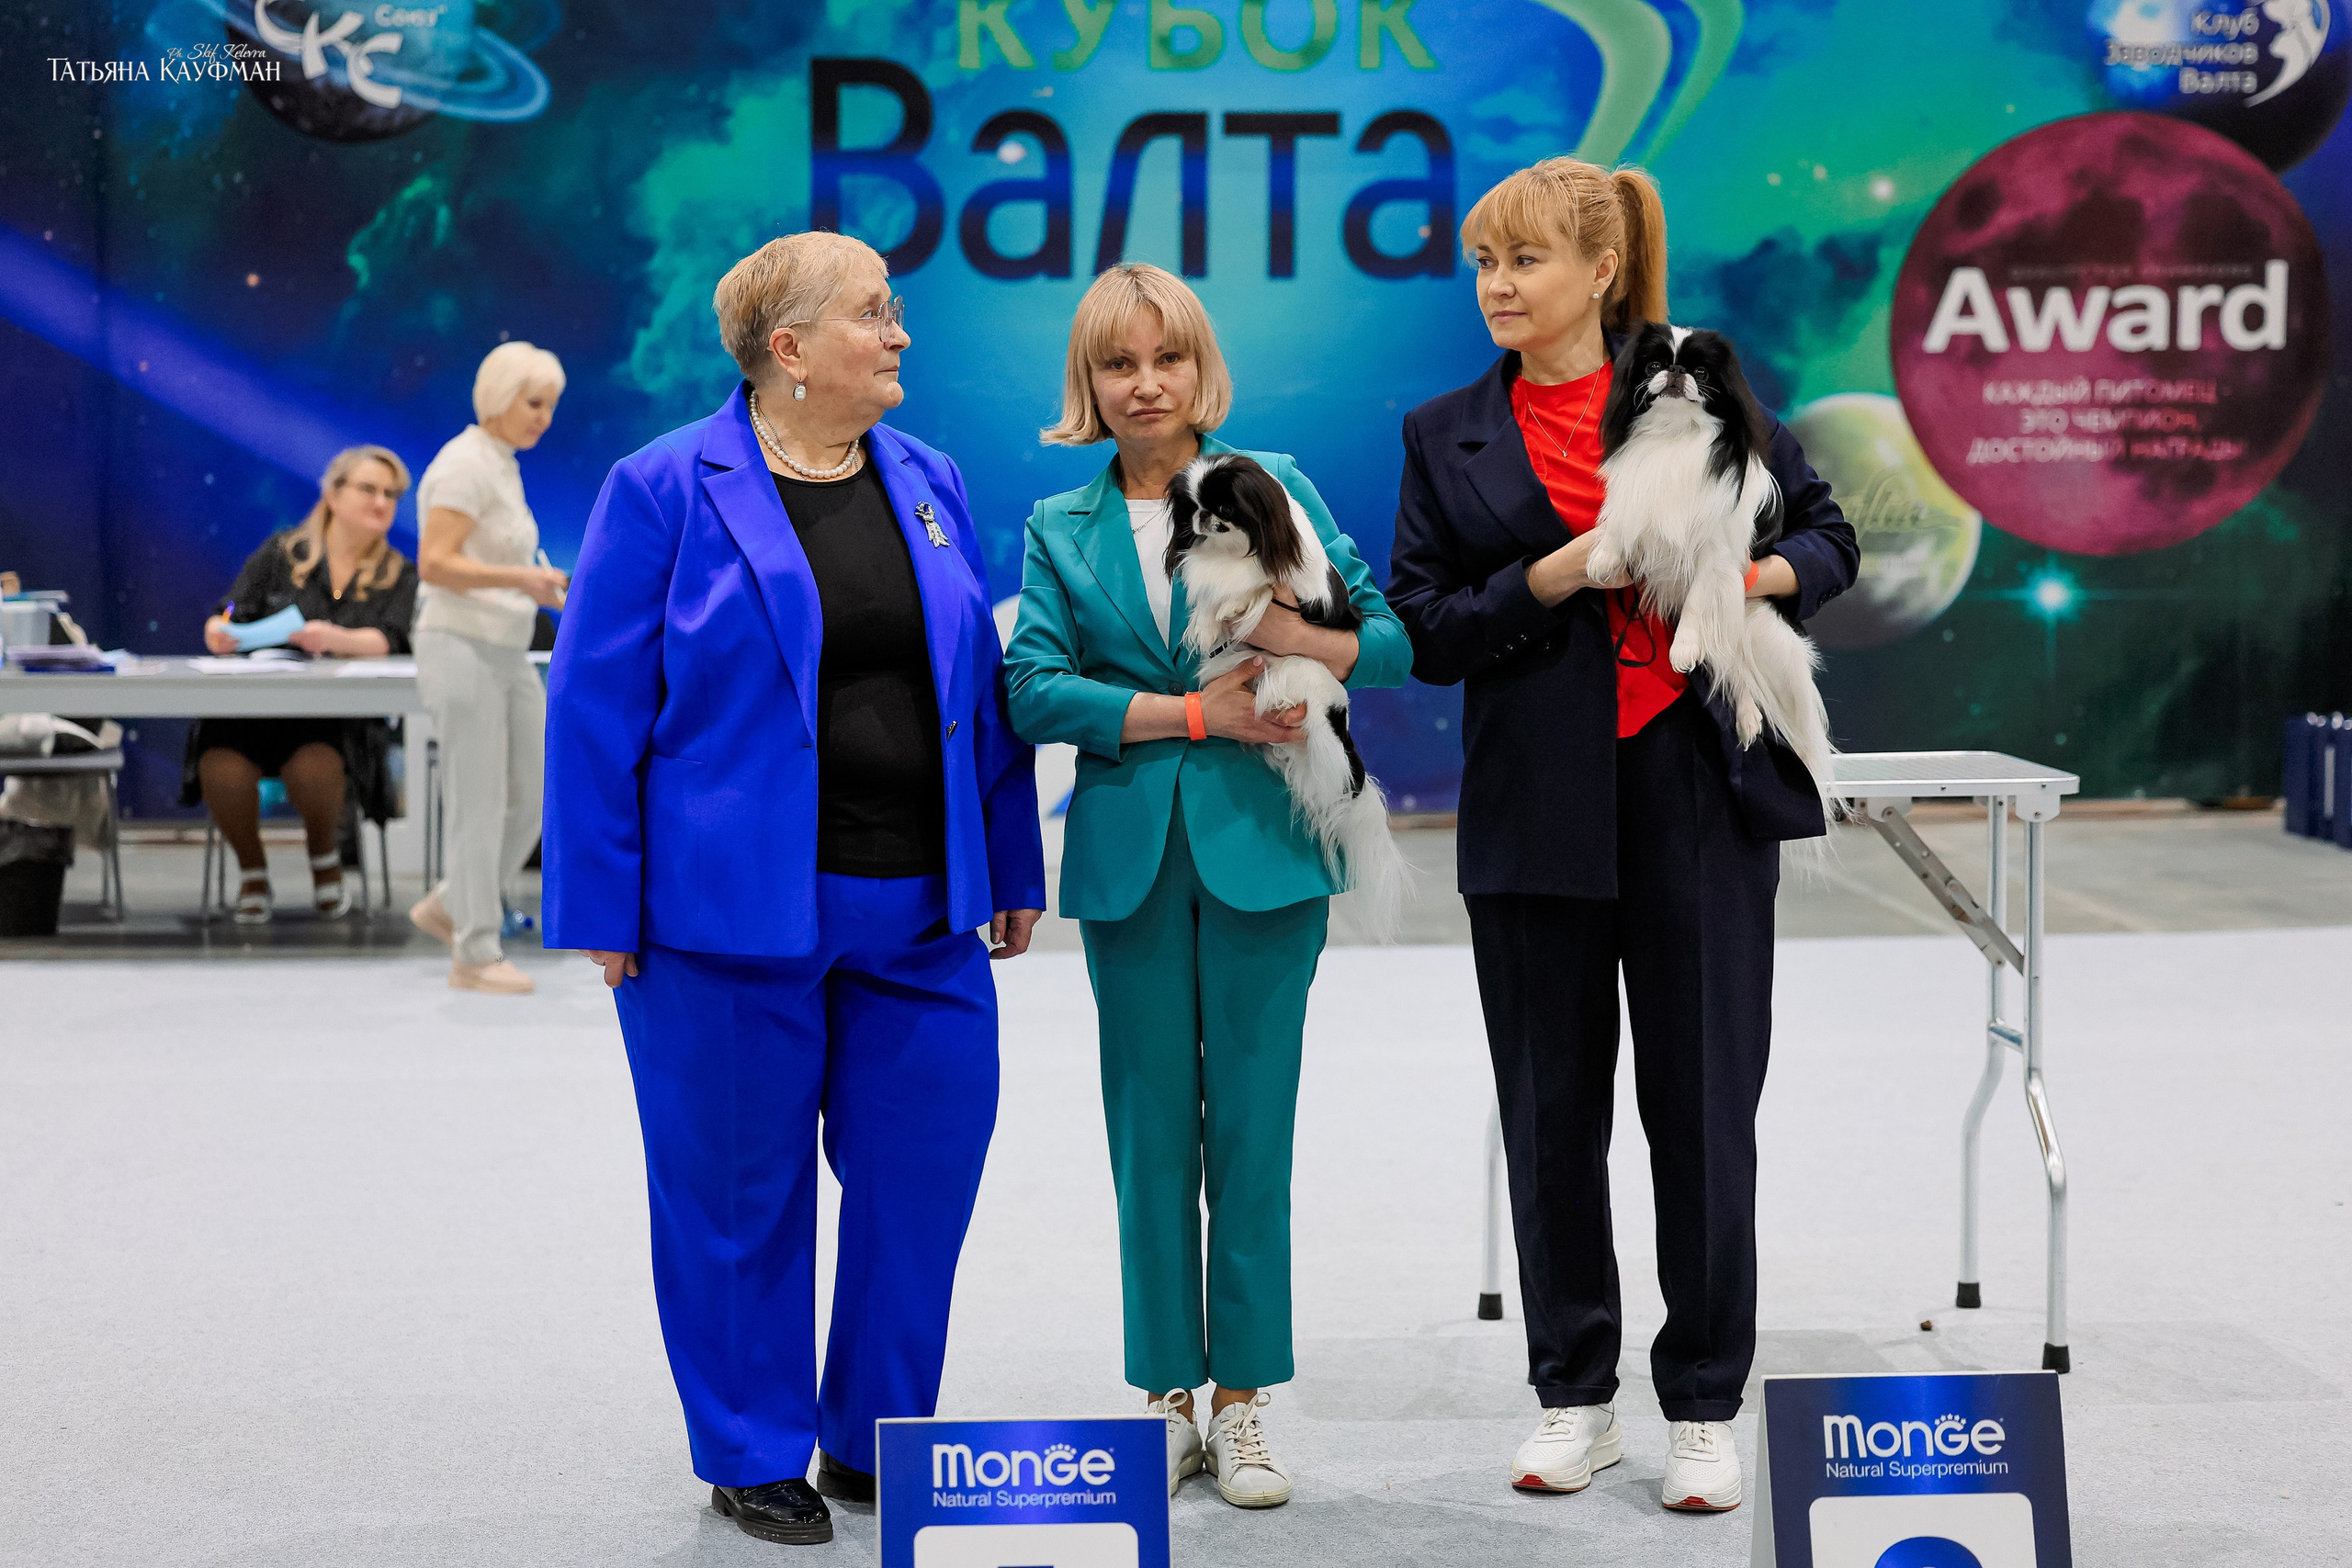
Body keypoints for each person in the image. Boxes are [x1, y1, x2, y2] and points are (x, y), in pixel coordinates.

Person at [541, 231, 1045, 1549]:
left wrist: (1009, 859)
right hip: (721, 914)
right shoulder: (664, 485)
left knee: (921, 1172)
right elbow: (593, 708)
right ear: (790, 350)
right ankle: (753, 1444)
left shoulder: (926, 476)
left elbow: (975, 697)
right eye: (876, 314)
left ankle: (876, 1429)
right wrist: (602, 904)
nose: (902, 335)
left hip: (923, 906)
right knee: (734, 1189)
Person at [1387, 158, 1858, 1513]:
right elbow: (1426, 626)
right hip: (1534, 801)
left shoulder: (1699, 381)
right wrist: (1551, 572)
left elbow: (1828, 536)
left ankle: (1704, 1398)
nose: (1496, 285)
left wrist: (1751, 571)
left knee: (1703, 1106)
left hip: (1696, 789)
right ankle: (1573, 1393)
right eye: (1484, 261)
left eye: (1524, 260)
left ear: (1601, 271)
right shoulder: (1442, 430)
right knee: (1551, 1111)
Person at [1003, 264, 1410, 1511]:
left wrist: (1288, 636)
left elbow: (1386, 640)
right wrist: (1189, 710)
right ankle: (1165, 1392)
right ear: (1089, 381)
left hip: (1267, 852)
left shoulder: (1271, 482)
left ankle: (1245, 1401)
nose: (1144, 383)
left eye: (1165, 359)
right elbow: (1030, 688)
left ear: (1198, 370)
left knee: (1249, 1128)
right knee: (1146, 1139)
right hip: (1128, 861)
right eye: (1118, 363)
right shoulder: (1056, 526)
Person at [186, 445, 418, 923]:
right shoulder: (280, 553)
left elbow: (394, 638)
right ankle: (252, 871)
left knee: (316, 764)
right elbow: (231, 610)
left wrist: (335, 638)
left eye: (391, 495)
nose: (382, 503)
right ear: (333, 494)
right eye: (369, 489)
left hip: (333, 722)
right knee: (220, 762)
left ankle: (325, 860)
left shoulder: (398, 572)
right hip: (255, 712)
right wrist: (219, 628)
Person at [407, 342, 570, 994]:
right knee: (476, 801)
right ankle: (473, 949)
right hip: (459, 641)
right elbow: (434, 563)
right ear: (500, 397)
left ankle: (452, 899)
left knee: (532, 792)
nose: (544, 418)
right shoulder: (463, 465)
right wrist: (520, 578)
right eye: (535, 403)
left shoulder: (501, 464)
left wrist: (528, 584)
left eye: (551, 406)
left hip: (504, 647)